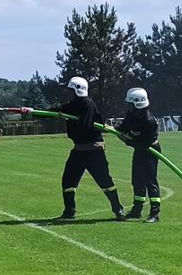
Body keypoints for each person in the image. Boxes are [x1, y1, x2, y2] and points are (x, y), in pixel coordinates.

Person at [19, 76, 125, 220]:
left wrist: (68, 117)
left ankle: (118, 209)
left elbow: (84, 126)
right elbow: (51, 112)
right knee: (68, 181)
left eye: (70, 90)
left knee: (105, 182)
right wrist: (31, 112)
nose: (68, 93)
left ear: (77, 91)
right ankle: (69, 212)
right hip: (79, 150)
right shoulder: (72, 105)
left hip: (94, 149)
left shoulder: (88, 105)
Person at [114, 87, 162, 223]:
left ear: (138, 103)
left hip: (150, 150)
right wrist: (116, 128)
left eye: (130, 104)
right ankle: (137, 210)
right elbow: (125, 126)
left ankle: (154, 213)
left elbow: (143, 143)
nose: (128, 107)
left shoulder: (149, 121)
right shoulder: (132, 114)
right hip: (140, 150)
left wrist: (125, 140)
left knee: (150, 181)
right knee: (137, 180)